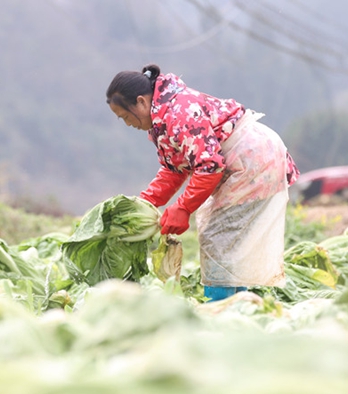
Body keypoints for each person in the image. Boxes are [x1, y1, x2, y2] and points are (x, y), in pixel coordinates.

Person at [105, 63, 300, 301]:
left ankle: (223, 308)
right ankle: (237, 304)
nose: (127, 123)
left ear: (142, 102)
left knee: (219, 239)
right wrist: (143, 204)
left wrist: (183, 208)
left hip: (251, 161)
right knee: (225, 242)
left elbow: (209, 166)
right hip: (247, 161)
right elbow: (174, 169)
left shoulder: (179, 113)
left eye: (126, 116)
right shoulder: (162, 121)